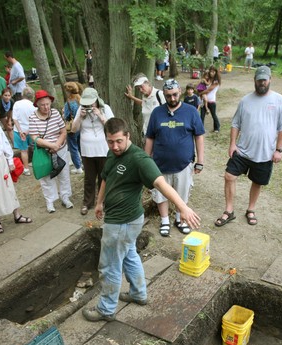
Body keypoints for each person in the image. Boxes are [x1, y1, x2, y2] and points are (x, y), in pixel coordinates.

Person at [81, 118, 201, 322]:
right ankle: (138, 294)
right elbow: (106, 177)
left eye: (119, 141)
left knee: (109, 265)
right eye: (110, 142)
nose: (115, 146)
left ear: (128, 135)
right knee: (129, 254)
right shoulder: (112, 152)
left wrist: (183, 208)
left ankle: (106, 309)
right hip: (122, 220)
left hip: (123, 221)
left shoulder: (139, 159)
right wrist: (99, 202)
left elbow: (162, 184)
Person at [216, 66, 282, 228]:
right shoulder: (245, 100)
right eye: (259, 80)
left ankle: (251, 209)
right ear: (254, 80)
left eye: (265, 79)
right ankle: (229, 210)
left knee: (257, 182)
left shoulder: (279, 100)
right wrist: (232, 144)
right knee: (229, 176)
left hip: (265, 152)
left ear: (270, 80)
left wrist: (279, 149)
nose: (262, 82)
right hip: (242, 150)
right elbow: (235, 124)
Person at [145, 78, 205, 237]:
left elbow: (199, 136)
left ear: (180, 92)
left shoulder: (191, 111)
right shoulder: (157, 113)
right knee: (160, 194)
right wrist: (145, 160)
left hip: (183, 164)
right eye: (168, 95)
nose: (172, 98)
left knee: (182, 192)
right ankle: (165, 221)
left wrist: (200, 161)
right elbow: (150, 137)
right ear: (163, 95)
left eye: (175, 94)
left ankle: (180, 219)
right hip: (159, 164)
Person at [28, 90, 73, 213]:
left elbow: (63, 131)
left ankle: (65, 197)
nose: (46, 107)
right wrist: (51, 145)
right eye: (43, 104)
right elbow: (35, 137)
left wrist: (57, 145)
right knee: (46, 177)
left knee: (64, 173)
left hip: (60, 149)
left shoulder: (55, 113)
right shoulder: (33, 118)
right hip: (45, 152)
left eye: (48, 104)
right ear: (37, 104)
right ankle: (50, 201)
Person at [73, 87, 114, 216]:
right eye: (87, 102)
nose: (89, 105)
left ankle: (106, 202)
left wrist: (101, 116)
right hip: (87, 149)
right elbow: (74, 129)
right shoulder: (81, 109)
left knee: (104, 177)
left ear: (97, 100)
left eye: (92, 102)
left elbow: (113, 127)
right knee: (89, 178)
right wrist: (80, 117)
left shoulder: (105, 108)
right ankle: (87, 203)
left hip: (103, 149)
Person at [11, 87, 36, 176]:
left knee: (23, 150)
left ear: (22, 94)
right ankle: (37, 165)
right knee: (36, 148)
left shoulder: (17, 104)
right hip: (32, 130)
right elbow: (35, 120)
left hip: (19, 131)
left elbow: (14, 118)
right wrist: (27, 131)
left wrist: (20, 131)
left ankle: (26, 169)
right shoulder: (33, 105)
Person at [62, 81, 84, 175]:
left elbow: (66, 116)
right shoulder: (80, 101)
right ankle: (83, 163)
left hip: (71, 127)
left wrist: (63, 113)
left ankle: (78, 167)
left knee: (73, 147)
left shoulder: (69, 103)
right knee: (80, 146)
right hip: (81, 126)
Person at [199, 66, 221, 133]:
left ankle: (217, 127)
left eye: (213, 71)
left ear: (216, 72)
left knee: (213, 115)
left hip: (211, 100)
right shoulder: (207, 79)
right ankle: (201, 128)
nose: (211, 73)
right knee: (202, 115)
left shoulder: (216, 81)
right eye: (210, 71)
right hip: (204, 100)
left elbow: (209, 90)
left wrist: (200, 93)